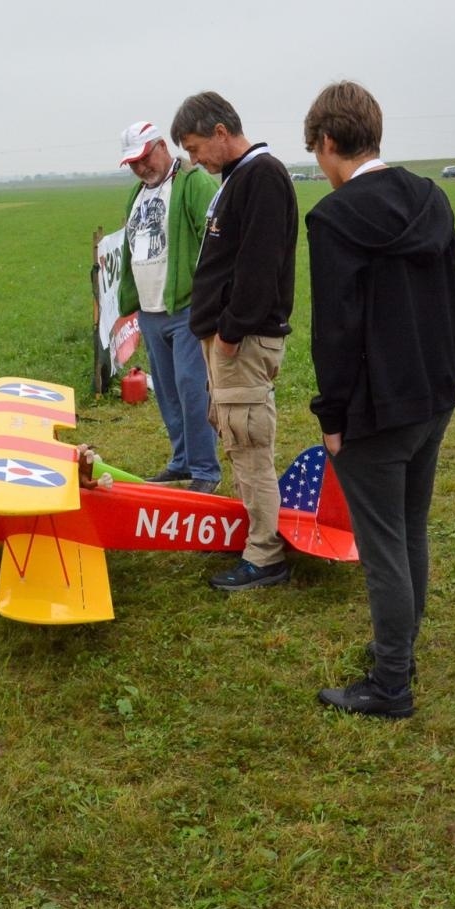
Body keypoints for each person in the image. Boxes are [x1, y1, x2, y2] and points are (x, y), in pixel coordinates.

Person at [302, 81, 455, 719]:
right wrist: (448, 382)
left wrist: (334, 418)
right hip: (431, 398)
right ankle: (400, 648)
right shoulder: (430, 197)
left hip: (376, 413)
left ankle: (392, 683)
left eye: (316, 153)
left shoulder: (334, 218)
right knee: (410, 529)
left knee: (381, 547)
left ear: (327, 142)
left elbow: (335, 330)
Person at [171, 91, 298, 591]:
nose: (195, 159)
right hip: (226, 341)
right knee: (234, 438)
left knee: (248, 441)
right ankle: (253, 532)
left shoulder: (262, 175)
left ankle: (266, 556)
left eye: (197, 146)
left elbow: (259, 267)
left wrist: (229, 332)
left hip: (240, 342)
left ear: (222, 132)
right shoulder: (235, 177)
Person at [115, 121, 222, 494]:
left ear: (162, 146)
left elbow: (216, 245)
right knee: (166, 390)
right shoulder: (136, 196)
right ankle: (181, 461)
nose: (142, 168)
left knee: (192, 387)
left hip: (187, 308)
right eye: (133, 163)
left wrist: (212, 300)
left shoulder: (193, 184)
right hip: (149, 309)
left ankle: (206, 470)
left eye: (145, 158)